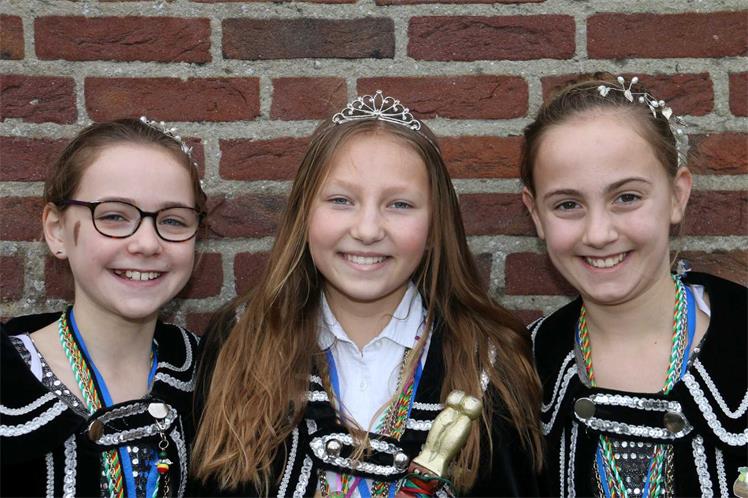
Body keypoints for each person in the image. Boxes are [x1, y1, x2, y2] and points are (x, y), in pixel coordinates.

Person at [190, 91, 544, 496]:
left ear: (435, 227)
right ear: (304, 213)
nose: (368, 230)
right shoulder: (240, 338)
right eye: (341, 200)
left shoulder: (488, 360)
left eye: (400, 204)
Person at [521, 74, 747, 496]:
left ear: (677, 196)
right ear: (535, 214)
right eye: (568, 204)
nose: (599, 233)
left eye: (627, 197)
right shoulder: (520, 370)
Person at [1, 117, 207, 497]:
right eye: (113, 216)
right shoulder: (10, 380)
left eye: (173, 220)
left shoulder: (212, 378)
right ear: (57, 230)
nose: (147, 244)